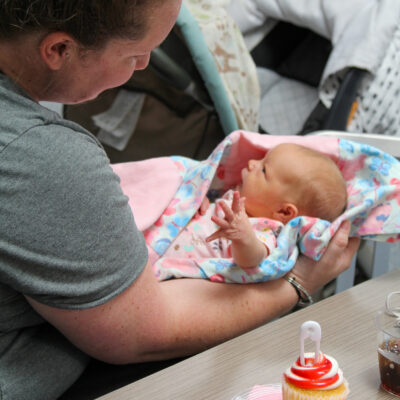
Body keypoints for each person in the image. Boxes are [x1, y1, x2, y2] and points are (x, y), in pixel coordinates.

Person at [0, 1, 360, 399]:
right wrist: (300, 282)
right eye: (135, 54)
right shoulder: (43, 158)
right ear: (59, 50)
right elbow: (140, 332)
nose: (144, 66)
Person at [155, 142, 347, 277]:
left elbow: (253, 259)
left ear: (284, 212)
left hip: (172, 273)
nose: (252, 163)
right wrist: (198, 201)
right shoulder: (237, 202)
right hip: (159, 243)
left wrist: (244, 238)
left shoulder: (265, 230)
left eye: (264, 170)